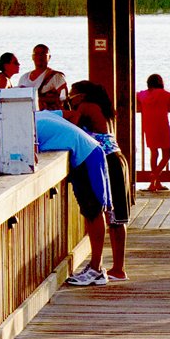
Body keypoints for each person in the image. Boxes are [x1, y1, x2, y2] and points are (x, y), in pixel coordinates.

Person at [65, 80, 132, 282]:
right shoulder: (103, 108)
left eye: (71, 94)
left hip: (107, 162)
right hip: (117, 158)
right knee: (117, 217)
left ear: (82, 95)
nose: (69, 98)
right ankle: (118, 269)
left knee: (100, 212)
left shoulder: (86, 107)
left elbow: (72, 127)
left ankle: (96, 267)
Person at [34, 110, 111, 286]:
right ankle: (95, 267)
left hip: (86, 156)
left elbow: (29, 156)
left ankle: (96, 269)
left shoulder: (30, 129)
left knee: (94, 212)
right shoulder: (39, 114)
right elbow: (68, 114)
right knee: (92, 211)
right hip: (91, 149)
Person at [136, 74, 170, 192]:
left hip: (148, 126)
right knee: (166, 154)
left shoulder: (142, 95)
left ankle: (154, 183)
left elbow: (135, 95)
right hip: (162, 126)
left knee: (153, 152)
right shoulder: (163, 93)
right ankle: (154, 175)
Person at [17, 44, 69, 111]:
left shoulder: (56, 76)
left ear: (49, 57)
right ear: (33, 57)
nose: (40, 56)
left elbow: (63, 98)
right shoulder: (24, 78)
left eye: (43, 54)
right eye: (37, 54)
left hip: (49, 115)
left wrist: (41, 99)